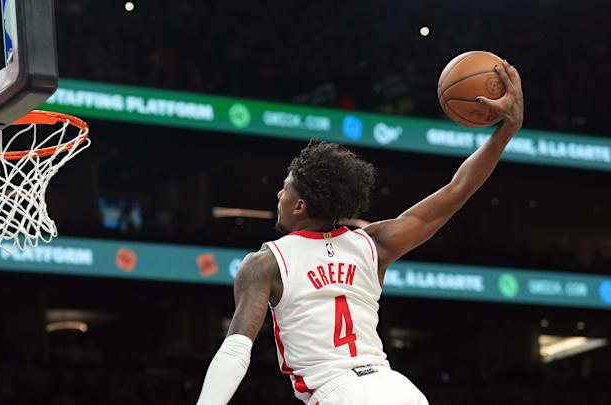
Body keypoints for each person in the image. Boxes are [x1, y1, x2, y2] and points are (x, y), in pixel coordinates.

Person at [196, 60, 523, 405]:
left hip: (338, 394)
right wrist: (507, 131)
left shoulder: (266, 263)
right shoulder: (373, 244)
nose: (279, 195)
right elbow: (457, 190)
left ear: (300, 206)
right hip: (398, 390)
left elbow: (235, 352)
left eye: (285, 188)